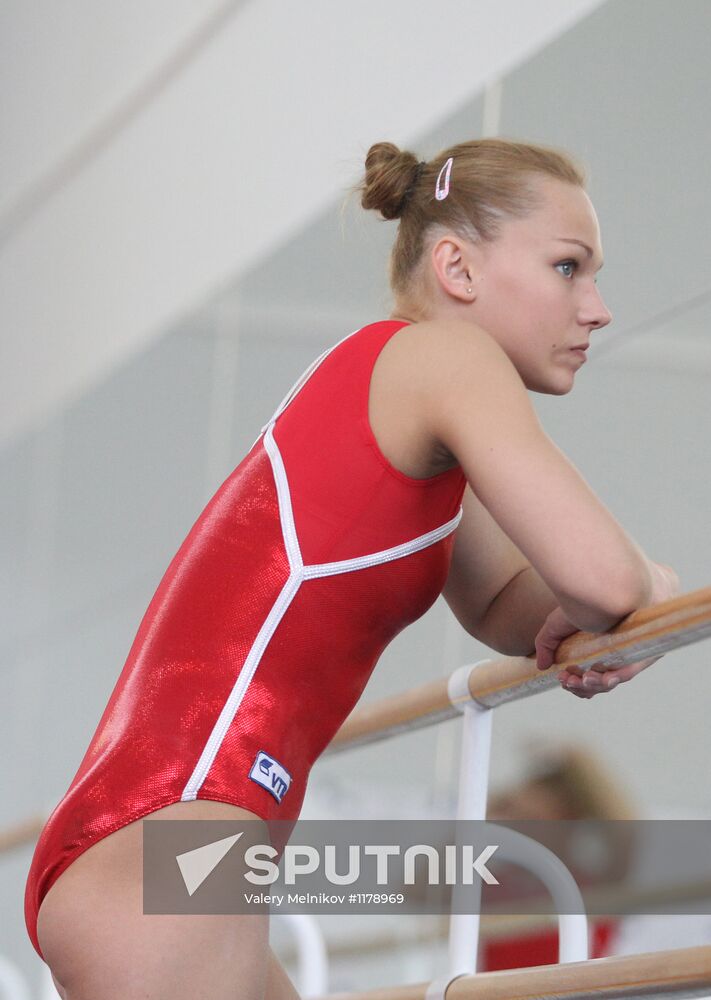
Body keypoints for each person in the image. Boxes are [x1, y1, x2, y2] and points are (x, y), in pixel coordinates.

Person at [26, 137, 679, 999]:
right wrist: (654, 593)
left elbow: (504, 602)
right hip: (181, 843)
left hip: (172, 847)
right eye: (568, 267)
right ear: (456, 267)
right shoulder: (446, 359)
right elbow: (606, 582)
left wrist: (585, 621)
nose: (596, 307)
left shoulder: (397, 386)